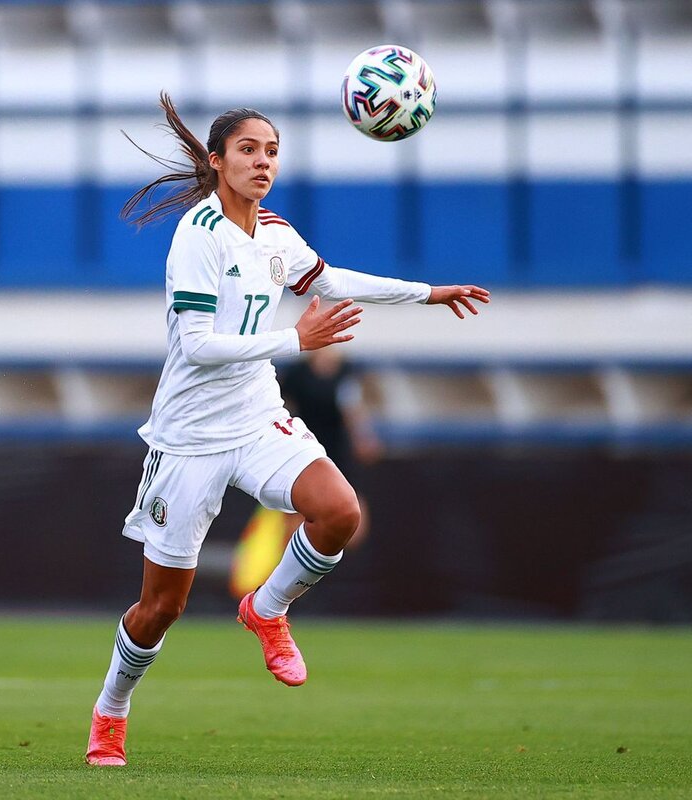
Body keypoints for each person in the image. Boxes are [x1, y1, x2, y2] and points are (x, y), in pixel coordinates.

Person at [85, 92, 490, 767]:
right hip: (188, 438)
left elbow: (329, 280)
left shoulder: (273, 232)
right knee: (161, 608)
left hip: (255, 418)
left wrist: (426, 292)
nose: (262, 161)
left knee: (338, 512)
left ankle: (267, 610)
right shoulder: (198, 235)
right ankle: (112, 712)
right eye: (248, 150)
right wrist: (294, 339)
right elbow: (197, 346)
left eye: (271, 151)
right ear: (216, 162)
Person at [229, 348, 382, 599]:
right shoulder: (297, 374)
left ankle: (299, 579)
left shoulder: (345, 370)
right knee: (294, 528)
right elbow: (278, 407)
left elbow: (351, 408)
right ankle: (277, 593)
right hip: (304, 455)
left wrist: (363, 437)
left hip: (337, 456)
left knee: (353, 528)